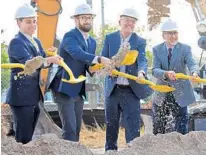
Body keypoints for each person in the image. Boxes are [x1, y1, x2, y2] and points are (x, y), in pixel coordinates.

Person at [49, 4, 111, 142]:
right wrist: (100, 58)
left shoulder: (92, 42)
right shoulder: (69, 36)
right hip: (64, 87)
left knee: (76, 129)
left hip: (78, 88)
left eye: (89, 18)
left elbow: (89, 66)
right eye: (84, 18)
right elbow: (78, 54)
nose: (87, 20)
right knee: (70, 129)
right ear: (76, 20)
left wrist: (100, 67)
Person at [6, 4, 62, 144]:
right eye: (28, 21)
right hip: (21, 98)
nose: (33, 24)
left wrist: (49, 55)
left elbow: (43, 59)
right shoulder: (16, 42)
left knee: (28, 136)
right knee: (23, 138)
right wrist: (49, 59)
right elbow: (30, 63)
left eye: (34, 21)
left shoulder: (36, 41)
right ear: (18, 22)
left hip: (33, 96)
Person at [101, 8, 153, 151]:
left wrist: (142, 72)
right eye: (127, 20)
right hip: (113, 89)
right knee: (111, 124)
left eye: (133, 21)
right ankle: (110, 151)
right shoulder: (109, 38)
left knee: (133, 126)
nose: (130, 23)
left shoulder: (139, 41)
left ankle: (132, 151)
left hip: (131, 90)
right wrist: (108, 69)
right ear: (120, 21)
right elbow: (102, 57)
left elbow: (142, 59)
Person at [152, 19, 199, 135]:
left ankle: (180, 150)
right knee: (159, 125)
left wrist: (194, 72)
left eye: (175, 33)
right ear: (163, 35)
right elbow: (154, 70)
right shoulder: (157, 49)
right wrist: (166, 73)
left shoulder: (185, 49)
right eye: (170, 33)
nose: (173, 36)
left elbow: (192, 63)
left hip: (180, 92)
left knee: (181, 125)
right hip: (162, 92)